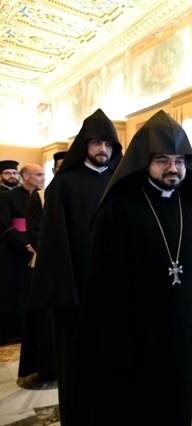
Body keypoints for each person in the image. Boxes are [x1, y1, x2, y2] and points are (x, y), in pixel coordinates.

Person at [75, 109, 192, 425]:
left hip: (179, 333)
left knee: (175, 402)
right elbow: (105, 284)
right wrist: (117, 340)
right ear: (145, 162)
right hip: (134, 337)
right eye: (162, 161)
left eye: (179, 161)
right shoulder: (118, 209)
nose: (173, 168)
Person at [28, 109, 122, 426]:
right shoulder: (63, 185)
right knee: (78, 367)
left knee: (113, 366)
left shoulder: (120, 182)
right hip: (76, 296)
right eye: (96, 143)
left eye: (107, 144)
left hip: (114, 296)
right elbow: (54, 243)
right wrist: (66, 295)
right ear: (84, 145)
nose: (102, 150)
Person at [18, 151, 67, 387]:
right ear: (54, 170)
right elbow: (35, 232)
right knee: (45, 320)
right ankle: (48, 366)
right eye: (60, 167)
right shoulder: (39, 197)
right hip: (47, 267)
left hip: (79, 269)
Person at [0, 164, 44, 346]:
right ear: (26, 176)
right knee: (13, 290)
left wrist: (38, 243)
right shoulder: (7, 197)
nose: (43, 178)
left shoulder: (42, 196)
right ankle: (11, 332)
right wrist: (26, 243)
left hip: (38, 248)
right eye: (39, 175)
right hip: (15, 251)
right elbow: (4, 225)